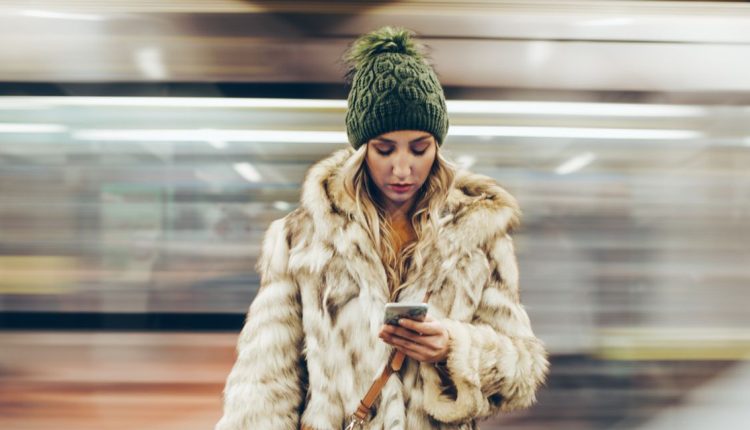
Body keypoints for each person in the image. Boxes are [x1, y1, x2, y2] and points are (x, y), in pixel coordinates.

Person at [215, 26, 548, 430]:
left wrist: (454, 348)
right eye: (385, 150)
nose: (403, 169)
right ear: (361, 150)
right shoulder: (304, 236)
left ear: (437, 148)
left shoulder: (478, 234)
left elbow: (523, 370)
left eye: (420, 149)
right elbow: (265, 377)